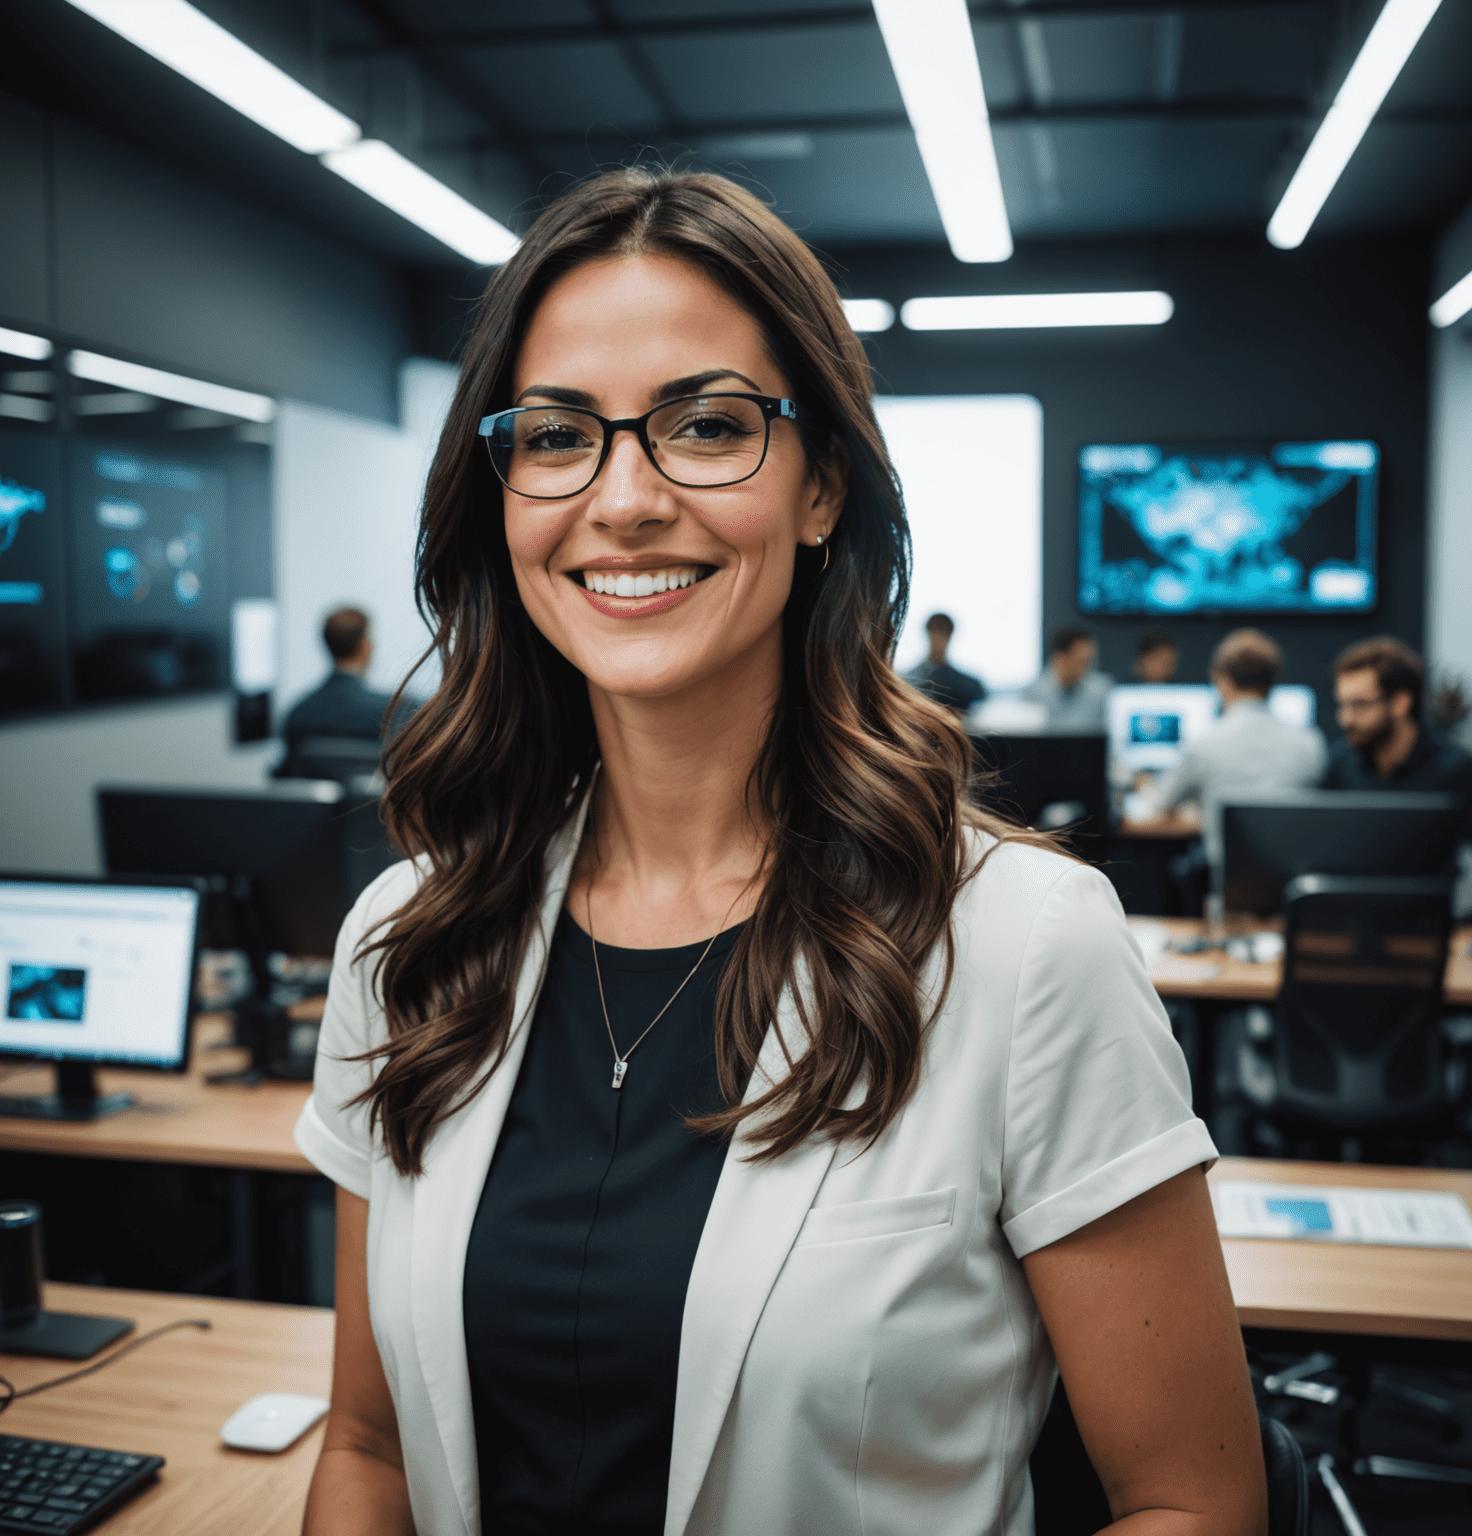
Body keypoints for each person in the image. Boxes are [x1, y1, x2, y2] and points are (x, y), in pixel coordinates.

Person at [295, 167, 1265, 1536]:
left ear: (823, 491)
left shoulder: (1023, 944)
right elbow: (371, 1447)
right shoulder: (411, 937)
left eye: (705, 426)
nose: (622, 500)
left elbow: (1194, 1500)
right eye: (559, 436)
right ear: (500, 494)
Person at [1134, 629, 1326, 862]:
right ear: (1272, 680)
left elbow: (1159, 803)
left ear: (1221, 680)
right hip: (1293, 886)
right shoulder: (1310, 743)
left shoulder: (1203, 743)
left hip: (1227, 888)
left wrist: (1143, 784)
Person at [1325, 635, 1472, 857]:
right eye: (1342, 705)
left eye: (1359, 705)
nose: (1345, 719)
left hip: (1424, 890)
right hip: (1352, 889)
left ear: (1400, 702)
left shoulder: (1456, 769)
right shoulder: (1341, 761)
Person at [277, 607, 400, 778]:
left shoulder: (297, 714)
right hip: (376, 804)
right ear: (364, 646)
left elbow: (287, 777)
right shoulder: (395, 710)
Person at [1020, 623, 1114, 727]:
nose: (1088, 668)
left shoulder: (1101, 690)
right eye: (1082, 662)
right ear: (1060, 657)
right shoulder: (1033, 693)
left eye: (1090, 661)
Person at [903, 611, 986, 716]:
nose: (938, 639)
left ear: (950, 635)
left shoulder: (971, 686)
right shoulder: (908, 682)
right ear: (928, 633)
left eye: (943, 632)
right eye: (936, 632)